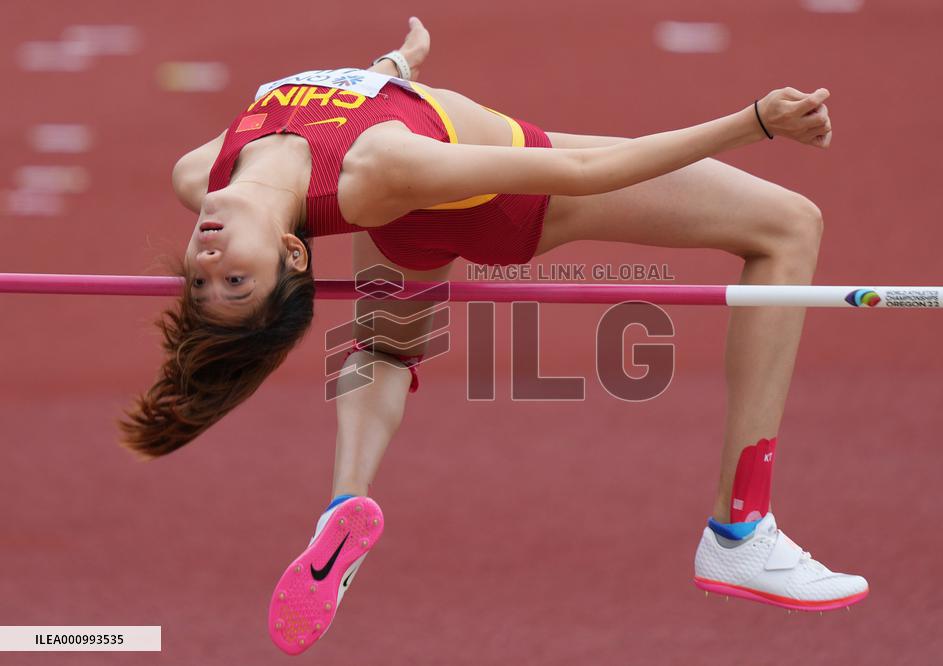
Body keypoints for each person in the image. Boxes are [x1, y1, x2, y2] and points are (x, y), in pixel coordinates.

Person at [120, 16, 867, 656]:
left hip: (405, 202)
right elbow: (582, 168)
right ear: (291, 255)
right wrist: (755, 123)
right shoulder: (380, 167)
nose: (211, 264)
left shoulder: (200, 173)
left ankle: (343, 505)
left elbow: (328, 116)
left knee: (385, 345)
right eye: (236, 285)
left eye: (202, 282)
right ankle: (741, 533)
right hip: (502, 199)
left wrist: (393, 70)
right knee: (789, 225)